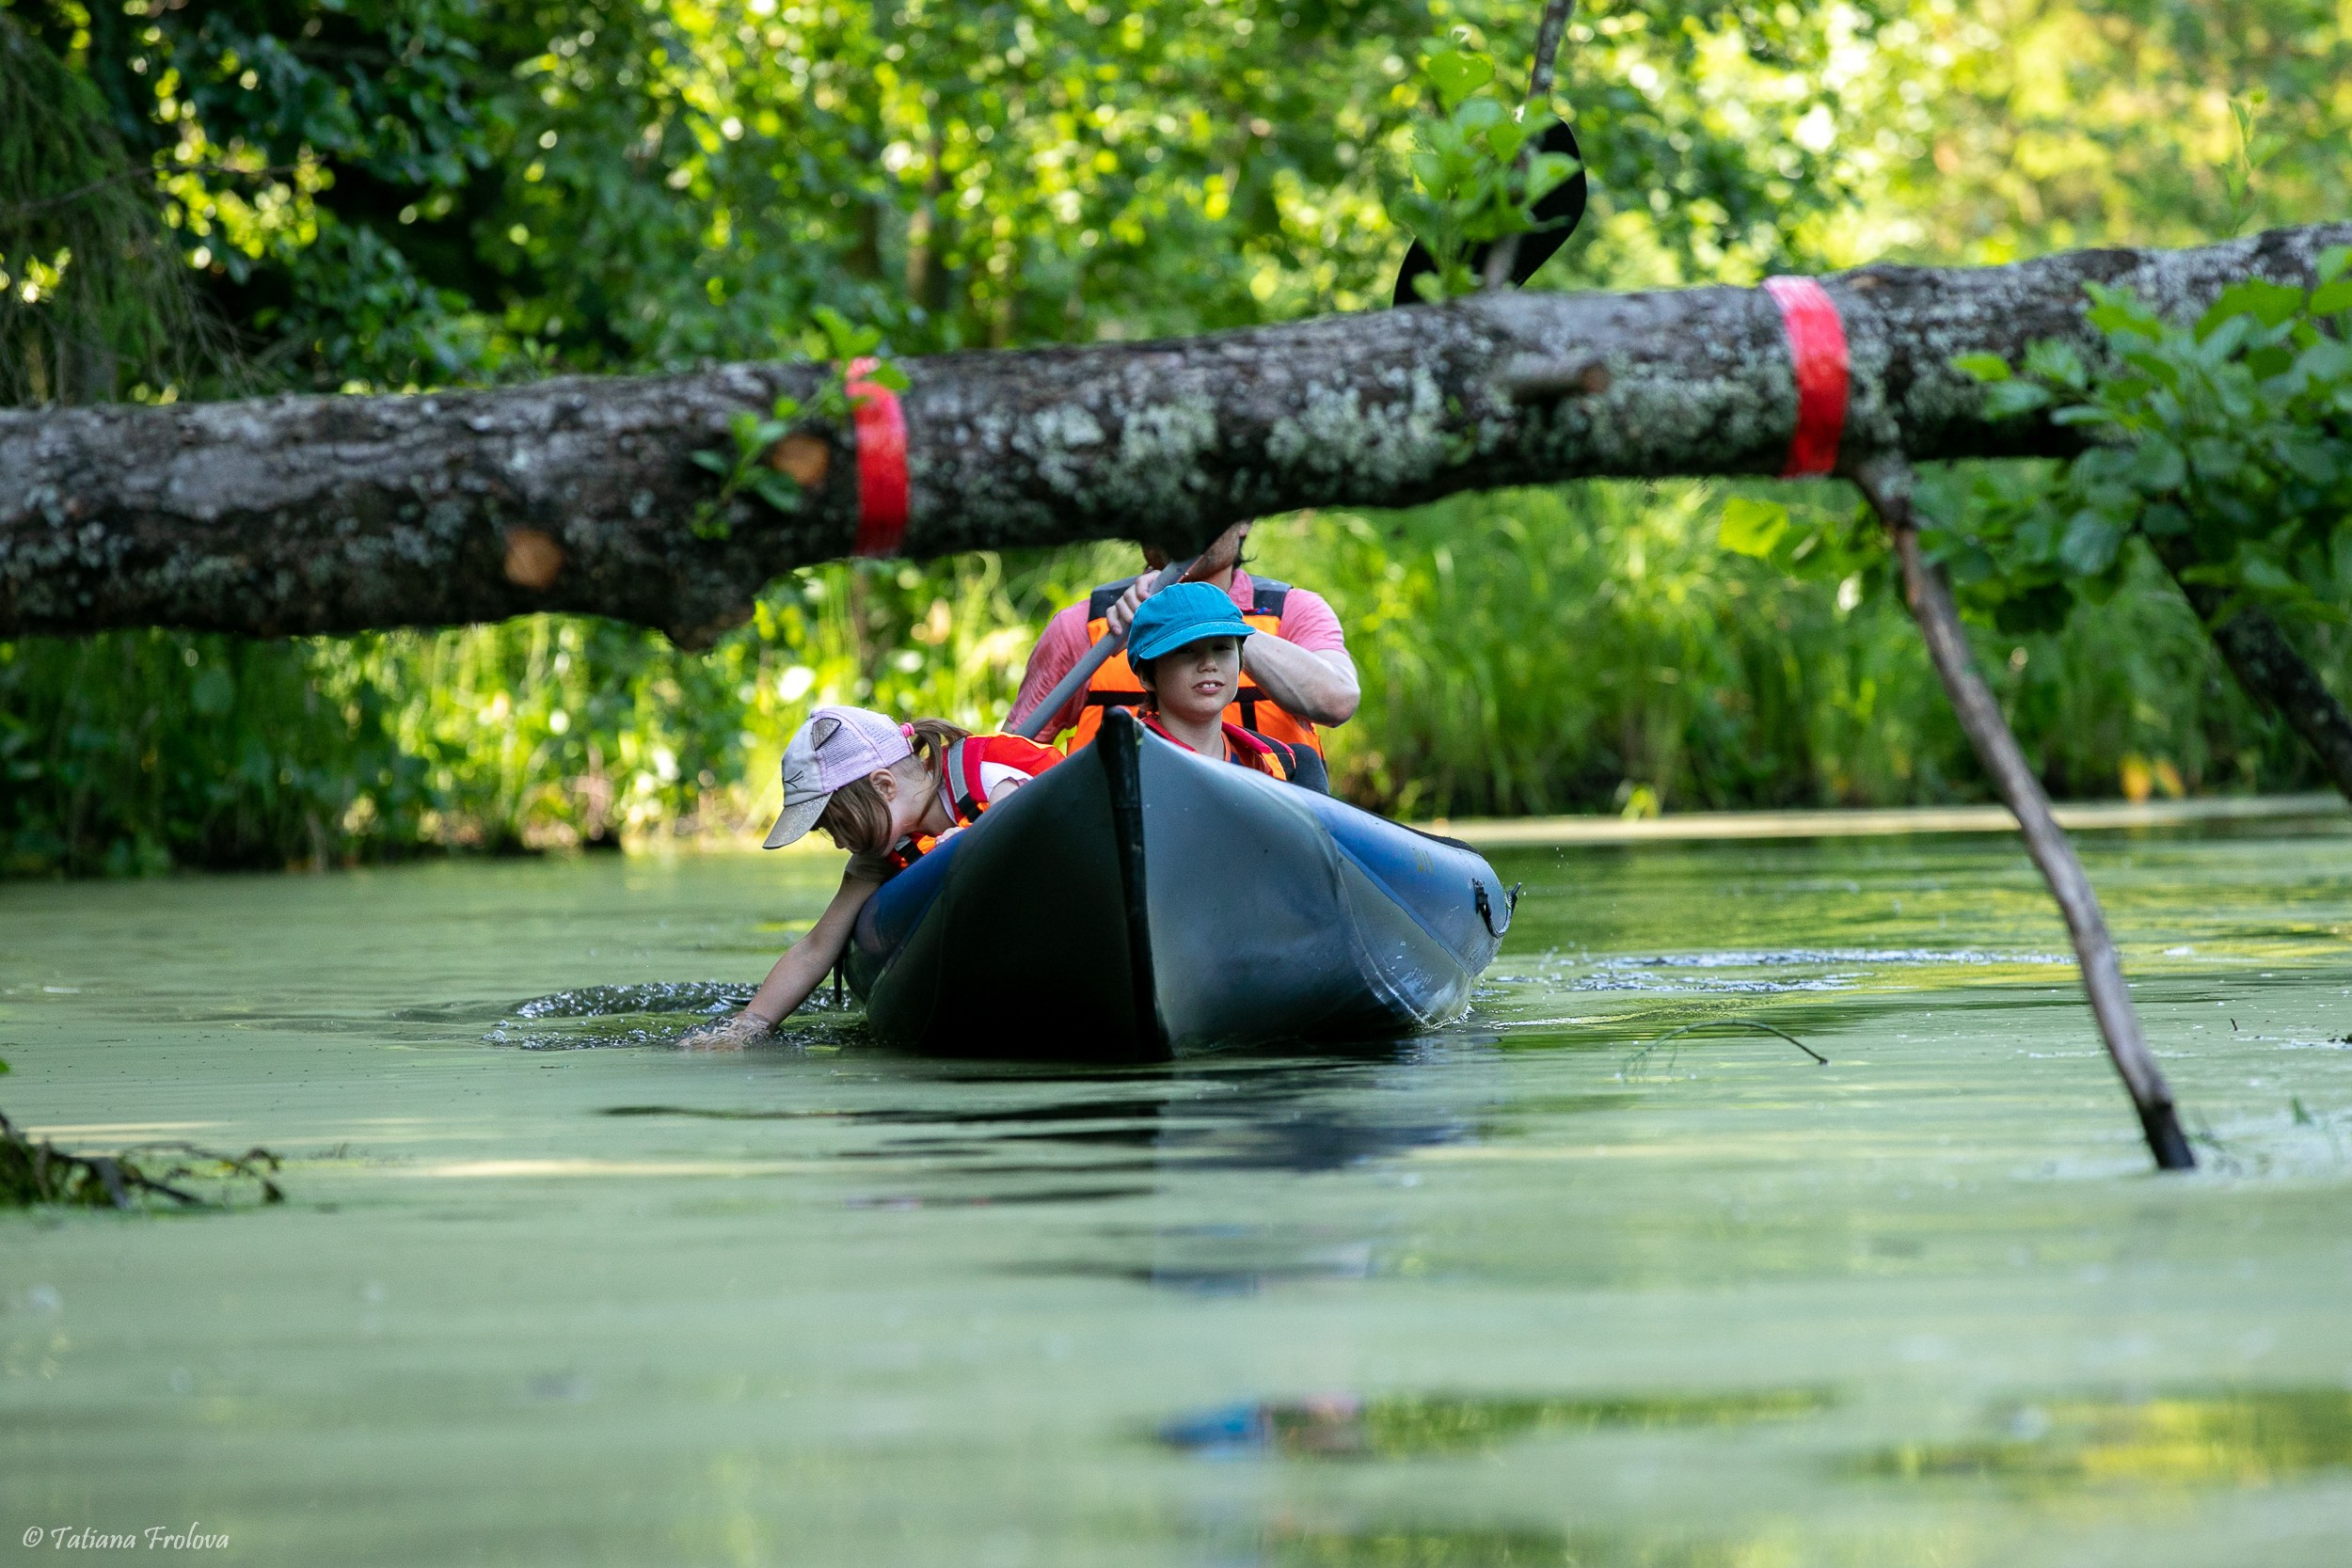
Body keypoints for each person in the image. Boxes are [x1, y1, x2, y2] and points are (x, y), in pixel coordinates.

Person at [678, 706, 1060, 1049]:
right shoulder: (877, 856)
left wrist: (963, 841)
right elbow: (814, 949)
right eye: (830, 831)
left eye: (840, 824)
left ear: (884, 786)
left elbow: (1013, 824)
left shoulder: (986, 768)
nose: (842, 843)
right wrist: (749, 1025)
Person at [1009, 521, 1359, 755]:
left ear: (1244, 521)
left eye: (1201, 510)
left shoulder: (1294, 611)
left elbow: (1338, 702)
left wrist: (1210, 623)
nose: (1179, 524)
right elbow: (1005, 758)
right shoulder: (1082, 626)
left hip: (1268, 842)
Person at [1120, 582, 1327, 786]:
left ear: (1240, 663)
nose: (1209, 664)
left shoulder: (1281, 763)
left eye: (1221, 648)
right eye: (1185, 651)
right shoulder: (1120, 766)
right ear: (1146, 676)